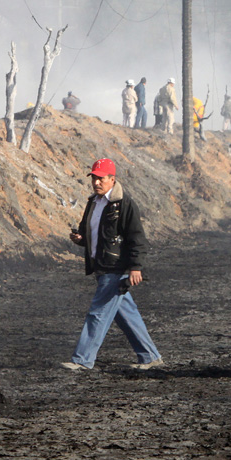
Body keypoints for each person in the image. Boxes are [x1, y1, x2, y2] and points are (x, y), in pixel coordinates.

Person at [64, 158, 163, 370]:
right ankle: (150, 357)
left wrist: (136, 267)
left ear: (112, 179)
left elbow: (137, 238)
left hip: (114, 268)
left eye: (101, 178)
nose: (96, 182)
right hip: (101, 266)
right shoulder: (93, 202)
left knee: (97, 313)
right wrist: (80, 238)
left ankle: (82, 360)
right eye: (94, 178)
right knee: (127, 314)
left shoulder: (125, 204)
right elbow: (89, 231)